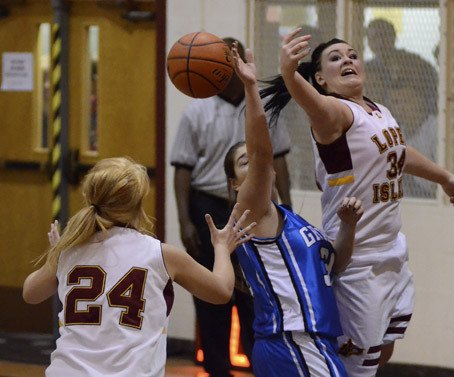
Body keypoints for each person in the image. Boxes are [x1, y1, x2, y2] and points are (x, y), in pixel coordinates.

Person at [260, 28, 454, 377]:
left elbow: (399, 152)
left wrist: (445, 178)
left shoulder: (378, 110)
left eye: (352, 54)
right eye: (335, 58)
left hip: (393, 250)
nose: (347, 60)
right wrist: (290, 75)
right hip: (357, 259)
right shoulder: (333, 114)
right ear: (320, 78)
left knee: (384, 349)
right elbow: (311, 102)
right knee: (357, 366)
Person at [22, 157, 255, 377]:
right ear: (137, 203)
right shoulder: (159, 254)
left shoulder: (69, 251)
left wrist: (56, 255)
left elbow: (30, 294)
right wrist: (222, 248)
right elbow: (222, 292)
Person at [224, 42, 364, 377]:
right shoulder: (251, 214)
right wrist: (250, 88)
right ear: (235, 185)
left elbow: (336, 265)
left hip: (311, 342)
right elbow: (261, 150)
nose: (257, 164)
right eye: (244, 163)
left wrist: (348, 226)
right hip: (292, 341)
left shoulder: (288, 218)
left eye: (255, 161)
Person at [169, 37, 292, 377]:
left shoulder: (262, 107)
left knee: (256, 293)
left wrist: (288, 210)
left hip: (254, 209)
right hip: (208, 207)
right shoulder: (196, 110)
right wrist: (184, 221)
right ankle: (216, 369)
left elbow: (278, 161)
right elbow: (182, 170)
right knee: (211, 295)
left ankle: (260, 367)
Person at [365, 19, 440, 199]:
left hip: (418, 128)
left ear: (393, 37)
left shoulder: (415, 64)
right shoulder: (366, 70)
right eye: (373, 37)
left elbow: (435, 95)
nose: (379, 42)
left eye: (383, 36)